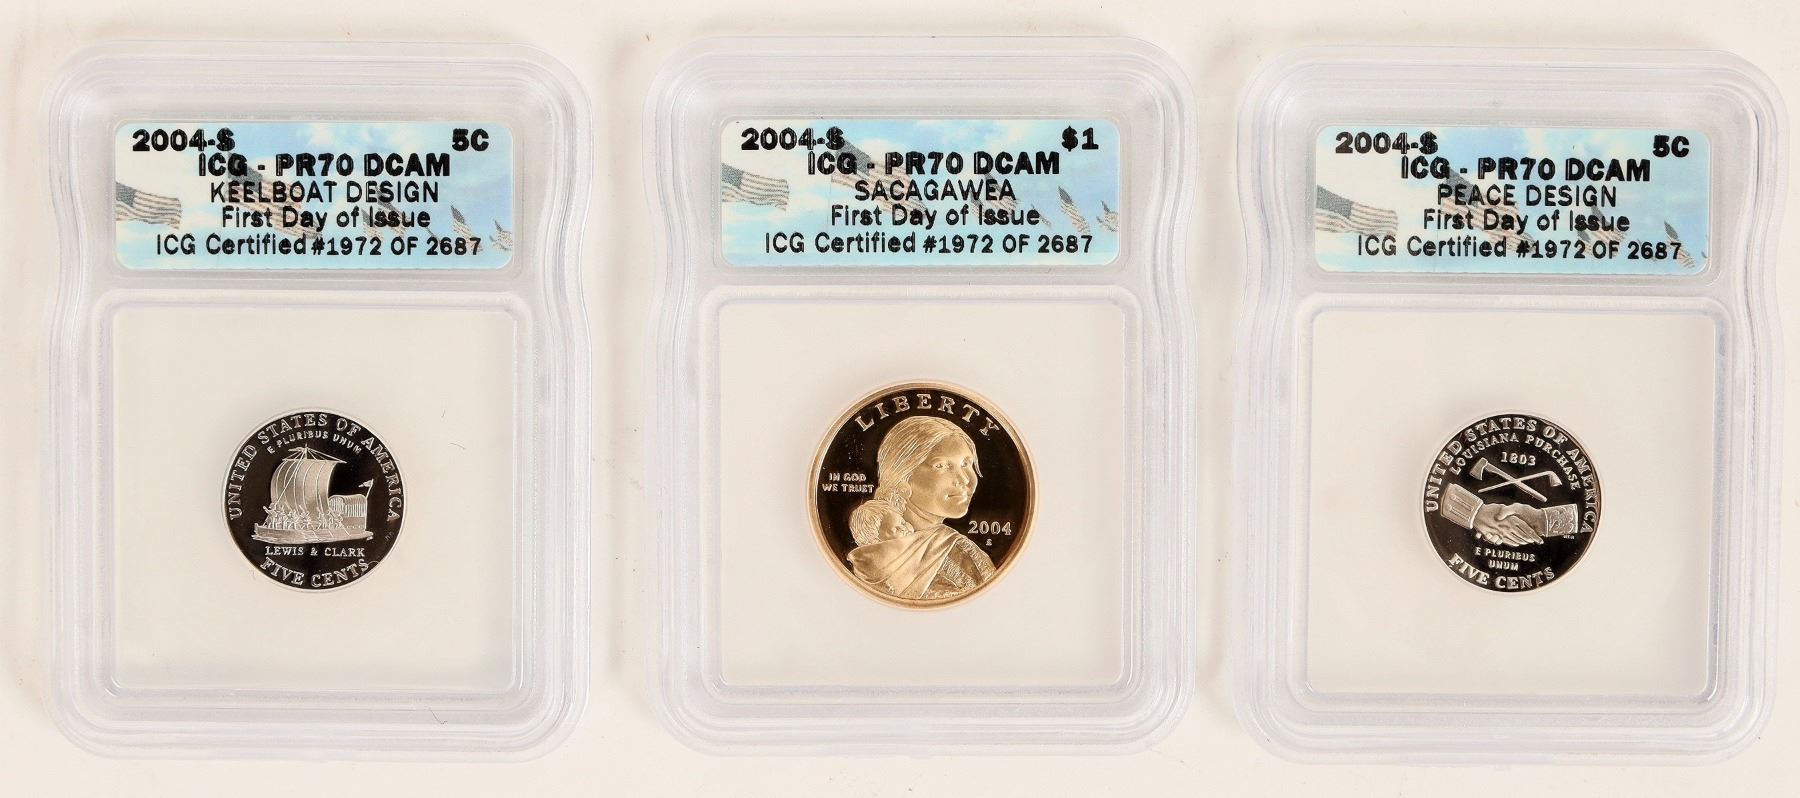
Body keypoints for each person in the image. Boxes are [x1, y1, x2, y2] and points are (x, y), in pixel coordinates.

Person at [845, 416, 997, 601]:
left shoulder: (865, 553)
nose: (964, 479)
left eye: (966, 464)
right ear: (902, 478)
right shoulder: (964, 556)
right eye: (941, 465)